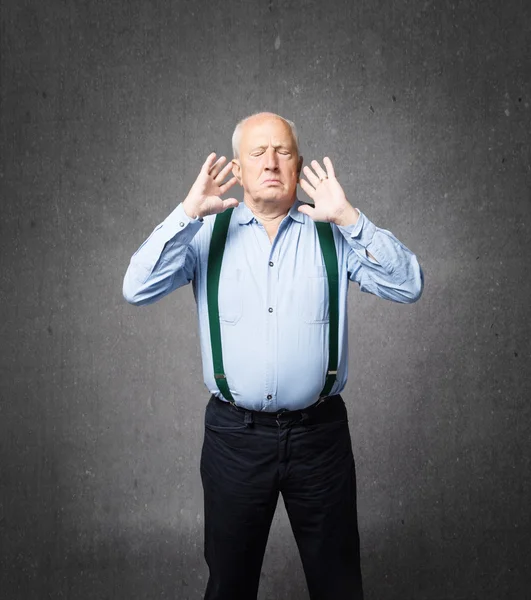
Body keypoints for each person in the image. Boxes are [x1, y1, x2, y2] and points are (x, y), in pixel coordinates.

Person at [123, 112, 423, 600]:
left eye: (282, 151)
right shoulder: (205, 235)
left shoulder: (334, 234)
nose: (271, 162)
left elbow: (409, 286)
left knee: (339, 585)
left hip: (319, 438)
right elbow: (136, 288)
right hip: (233, 441)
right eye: (257, 153)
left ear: (299, 165)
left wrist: (351, 218)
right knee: (229, 586)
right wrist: (186, 214)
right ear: (237, 171)